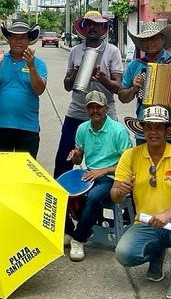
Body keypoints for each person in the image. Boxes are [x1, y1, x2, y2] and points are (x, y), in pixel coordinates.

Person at [112, 106, 171, 299]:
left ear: (168, 130)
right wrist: (120, 191)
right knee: (124, 254)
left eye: (159, 127)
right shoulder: (130, 155)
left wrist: (168, 213)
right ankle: (158, 253)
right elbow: (115, 195)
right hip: (144, 222)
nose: (153, 132)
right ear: (142, 129)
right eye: (148, 126)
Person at [53, 10, 123, 179]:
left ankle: (98, 197)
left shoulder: (112, 51)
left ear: (102, 28)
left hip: (105, 114)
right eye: (88, 24)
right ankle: (63, 199)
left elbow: (118, 86)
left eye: (96, 24)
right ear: (83, 28)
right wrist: (75, 74)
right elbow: (67, 86)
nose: (92, 27)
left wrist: (102, 79)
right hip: (77, 112)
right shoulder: (75, 51)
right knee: (64, 159)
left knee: (107, 161)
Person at [64, 90, 131, 261]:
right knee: (61, 189)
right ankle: (72, 230)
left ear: (106, 108)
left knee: (94, 196)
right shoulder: (82, 129)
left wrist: (104, 170)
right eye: (91, 107)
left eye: (98, 107)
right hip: (90, 174)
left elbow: (129, 165)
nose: (95, 111)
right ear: (86, 110)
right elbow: (79, 158)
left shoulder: (118, 131)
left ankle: (78, 238)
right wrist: (76, 155)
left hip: (112, 177)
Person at [118, 22, 171, 151]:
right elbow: (122, 97)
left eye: (154, 38)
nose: (150, 42)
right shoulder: (134, 65)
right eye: (146, 39)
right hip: (145, 130)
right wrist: (134, 89)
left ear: (163, 39)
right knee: (145, 169)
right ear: (141, 43)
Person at [0, 19, 47, 158]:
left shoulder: (39, 64)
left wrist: (31, 66)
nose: (18, 41)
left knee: (23, 175)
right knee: (0, 173)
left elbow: (39, 90)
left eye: (23, 37)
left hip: (28, 128)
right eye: (14, 37)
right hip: (0, 126)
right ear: (8, 39)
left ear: (29, 40)